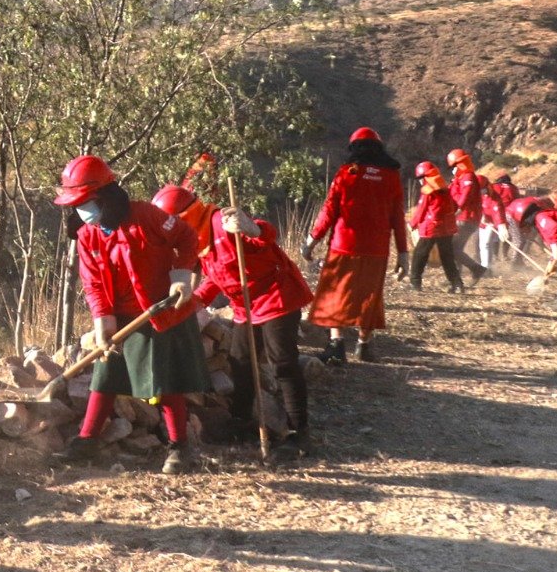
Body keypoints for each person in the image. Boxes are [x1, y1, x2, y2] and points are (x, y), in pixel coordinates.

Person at [51, 156, 208, 475]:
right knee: (105, 377)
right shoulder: (87, 235)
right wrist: (102, 320)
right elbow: (92, 282)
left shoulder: (145, 215)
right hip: (120, 315)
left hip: (161, 311)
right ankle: (87, 441)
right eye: (76, 204)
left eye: (86, 202)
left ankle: (180, 448)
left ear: (105, 196)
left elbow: (187, 238)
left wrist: (180, 278)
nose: (81, 210)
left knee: (164, 382)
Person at [190, 204, 315, 457]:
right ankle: (241, 421)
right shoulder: (196, 237)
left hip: (277, 297)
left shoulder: (223, 222)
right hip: (245, 307)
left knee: (283, 363)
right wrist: (194, 302)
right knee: (240, 361)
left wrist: (253, 228)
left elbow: (266, 238)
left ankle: (298, 433)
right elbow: (216, 276)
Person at [303, 127, 408, 364]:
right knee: (370, 296)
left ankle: (336, 345)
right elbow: (397, 218)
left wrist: (310, 242)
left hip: (343, 245)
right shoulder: (391, 176)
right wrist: (403, 253)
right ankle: (363, 346)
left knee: (336, 293)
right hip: (377, 249)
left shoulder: (346, 173)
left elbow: (328, 212)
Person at [408, 162, 464, 293]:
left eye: (421, 178)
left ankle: (415, 283)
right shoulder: (445, 189)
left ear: (426, 177)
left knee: (419, 254)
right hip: (447, 228)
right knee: (447, 256)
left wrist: (413, 224)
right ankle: (457, 283)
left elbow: (422, 210)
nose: (420, 181)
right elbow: (455, 206)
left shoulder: (428, 191)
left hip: (431, 228)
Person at [445, 149, 488, 284]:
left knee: (452, 249)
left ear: (459, 164)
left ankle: (474, 270)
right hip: (465, 218)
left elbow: (465, 197)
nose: (452, 170)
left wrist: (455, 212)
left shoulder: (467, 177)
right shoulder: (460, 179)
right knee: (456, 248)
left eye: (453, 166)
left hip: (466, 218)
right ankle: (457, 276)